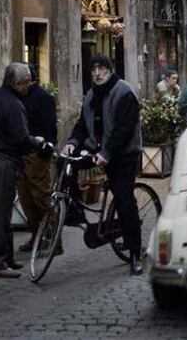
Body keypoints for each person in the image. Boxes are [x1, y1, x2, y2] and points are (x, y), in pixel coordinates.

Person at [62, 53, 143, 276]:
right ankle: (74, 210)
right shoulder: (90, 95)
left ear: (110, 70)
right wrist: (72, 143)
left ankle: (135, 253)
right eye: (94, 69)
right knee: (65, 163)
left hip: (123, 154)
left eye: (102, 69)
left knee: (123, 198)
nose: (97, 73)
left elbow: (124, 129)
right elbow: (82, 124)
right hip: (97, 148)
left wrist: (107, 152)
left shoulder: (124, 91)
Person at [0, 63, 45, 278]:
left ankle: (7, 258)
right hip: (2, 162)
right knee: (0, 214)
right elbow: (21, 138)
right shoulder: (15, 105)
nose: (28, 86)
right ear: (16, 83)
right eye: (26, 83)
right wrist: (37, 141)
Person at [17, 64, 58, 253]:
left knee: (41, 198)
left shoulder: (43, 97)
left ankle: (54, 241)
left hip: (37, 155)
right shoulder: (18, 96)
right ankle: (37, 235)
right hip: (22, 155)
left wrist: (45, 151)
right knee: (26, 200)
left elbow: (50, 128)